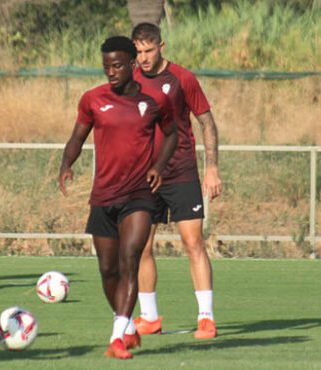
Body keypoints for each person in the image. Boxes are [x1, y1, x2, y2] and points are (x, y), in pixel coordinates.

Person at [58, 36, 177, 359]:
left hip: (139, 195)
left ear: (132, 65)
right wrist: (66, 165)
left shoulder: (153, 101)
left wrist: (159, 166)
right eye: (106, 66)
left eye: (118, 65)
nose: (111, 71)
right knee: (108, 270)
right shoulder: (92, 99)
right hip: (103, 197)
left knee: (130, 260)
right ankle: (127, 326)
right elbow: (76, 137)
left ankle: (116, 338)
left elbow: (171, 134)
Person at [130, 22, 223, 339]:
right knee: (141, 246)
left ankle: (206, 318)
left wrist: (212, 167)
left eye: (148, 50)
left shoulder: (183, 78)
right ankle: (150, 318)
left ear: (161, 46)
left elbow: (207, 122)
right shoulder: (129, 80)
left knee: (193, 243)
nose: (143, 57)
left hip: (181, 172)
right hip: (144, 176)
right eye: (138, 52)